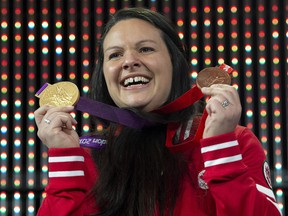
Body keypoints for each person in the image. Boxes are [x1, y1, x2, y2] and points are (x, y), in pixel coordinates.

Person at [34, 7, 282, 216]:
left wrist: (220, 148)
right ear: (104, 75)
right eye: (115, 54)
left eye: (145, 49)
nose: (129, 61)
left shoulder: (234, 142)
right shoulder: (84, 155)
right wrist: (64, 157)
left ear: (175, 64)